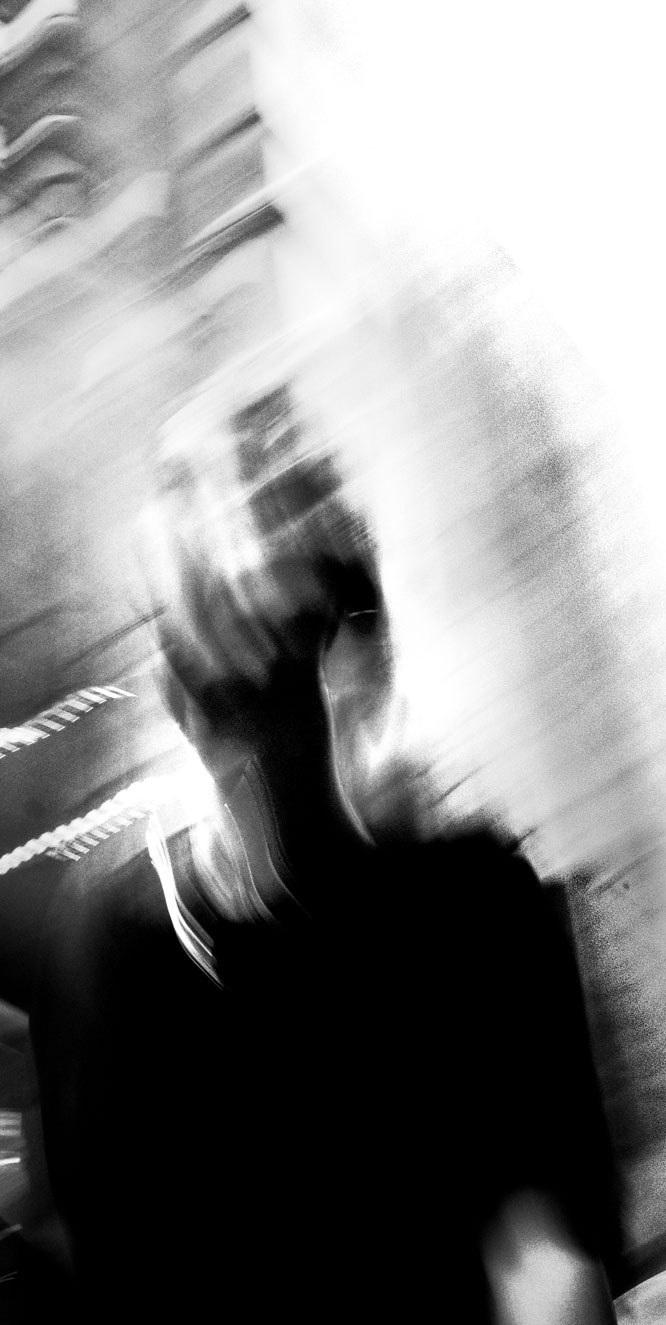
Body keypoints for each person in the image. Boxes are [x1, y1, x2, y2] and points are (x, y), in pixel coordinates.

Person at [26, 378, 621, 1322]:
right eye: (239, 664)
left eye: (314, 632)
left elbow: (542, 1257)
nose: (291, 710)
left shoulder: (475, 904)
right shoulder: (117, 957)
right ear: (181, 696)